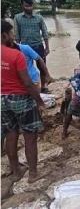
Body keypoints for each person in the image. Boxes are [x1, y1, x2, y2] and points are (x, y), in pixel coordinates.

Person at [1, 20, 46, 183]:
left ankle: (16, 172)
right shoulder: (16, 54)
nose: (13, 36)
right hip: (20, 98)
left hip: (2, 100)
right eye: (12, 33)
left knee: (10, 135)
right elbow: (27, 83)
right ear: (5, 35)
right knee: (30, 136)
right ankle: (33, 174)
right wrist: (39, 101)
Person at [14, 0, 51, 93]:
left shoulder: (39, 18)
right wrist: (17, 48)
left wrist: (47, 47)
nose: (29, 8)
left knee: (42, 66)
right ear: (22, 5)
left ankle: (43, 87)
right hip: (24, 48)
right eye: (26, 6)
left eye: (30, 6)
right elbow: (17, 35)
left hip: (38, 45)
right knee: (25, 67)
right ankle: (29, 86)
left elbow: (45, 33)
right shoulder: (18, 18)